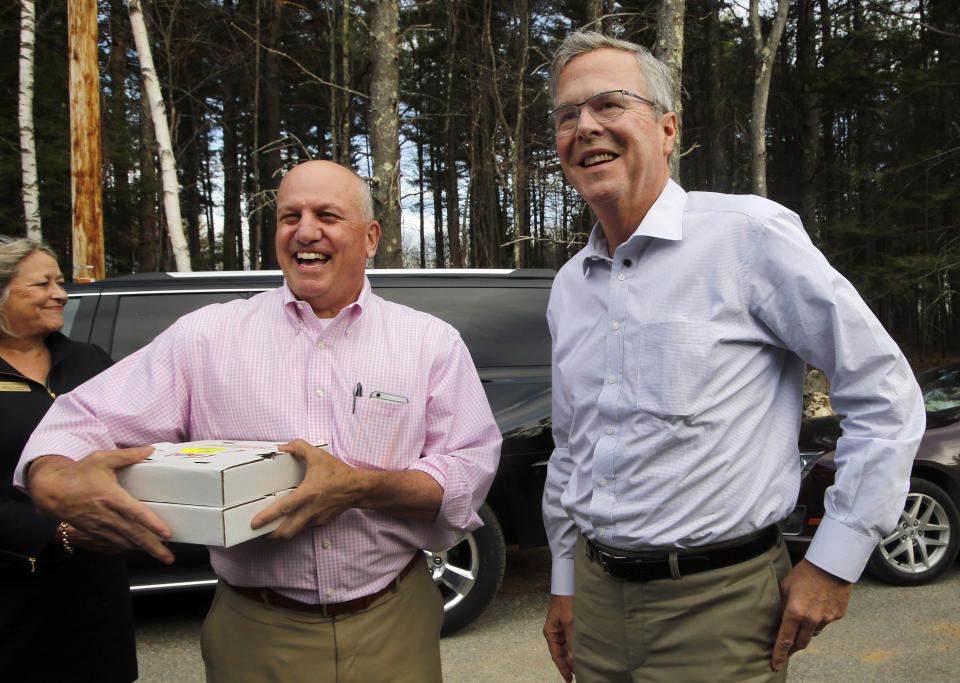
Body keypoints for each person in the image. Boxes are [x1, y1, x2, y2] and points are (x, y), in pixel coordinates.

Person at [14, 160, 502, 683]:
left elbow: (468, 468)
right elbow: (80, 415)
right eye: (289, 215)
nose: (305, 230)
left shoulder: (428, 342)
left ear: (371, 237)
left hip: (394, 620)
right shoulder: (205, 338)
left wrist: (358, 487)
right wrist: (51, 474)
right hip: (255, 630)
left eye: (328, 215)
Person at [540, 31, 925, 682]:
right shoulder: (571, 286)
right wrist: (564, 578)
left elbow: (884, 391)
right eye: (566, 114)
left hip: (720, 606)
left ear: (666, 129)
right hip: (598, 602)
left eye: (608, 104)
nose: (585, 126)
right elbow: (574, 448)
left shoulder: (747, 237)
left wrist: (835, 559)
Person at [0, 237, 137, 682]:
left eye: (60, 281)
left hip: (94, 590)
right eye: (42, 283)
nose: (60, 293)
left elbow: (132, 436)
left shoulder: (88, 359)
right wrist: (54, 532)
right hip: (14, 590)